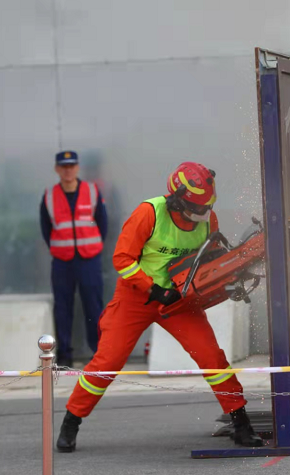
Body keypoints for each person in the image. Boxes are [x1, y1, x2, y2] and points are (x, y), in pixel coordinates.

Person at [56, 162, 263, 452]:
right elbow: (122, 260)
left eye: (208, 207)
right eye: (197, 207)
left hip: (179, 301)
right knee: (108, 362)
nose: (204, 214)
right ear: (177, 199)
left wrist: (228, 276)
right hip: (135, 298)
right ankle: (72, 421)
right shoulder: (149, 213)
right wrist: (154, 290)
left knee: (211, 358)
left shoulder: (208, 219)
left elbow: (210, 260)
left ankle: (241, 424)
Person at [40, 151, 107, 368]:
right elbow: (45, 228)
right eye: (63, 166)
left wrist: (92, 246)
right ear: (57, 169)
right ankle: (65, 355)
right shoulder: (49, 195)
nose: (68, 170)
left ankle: (99, 353)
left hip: (89, 260)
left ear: (77, 167)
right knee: (63, 308)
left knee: (94, 306)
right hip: (62, 261)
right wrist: (61, 248)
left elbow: (103, 223)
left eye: (71, 166)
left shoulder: (92, 191)